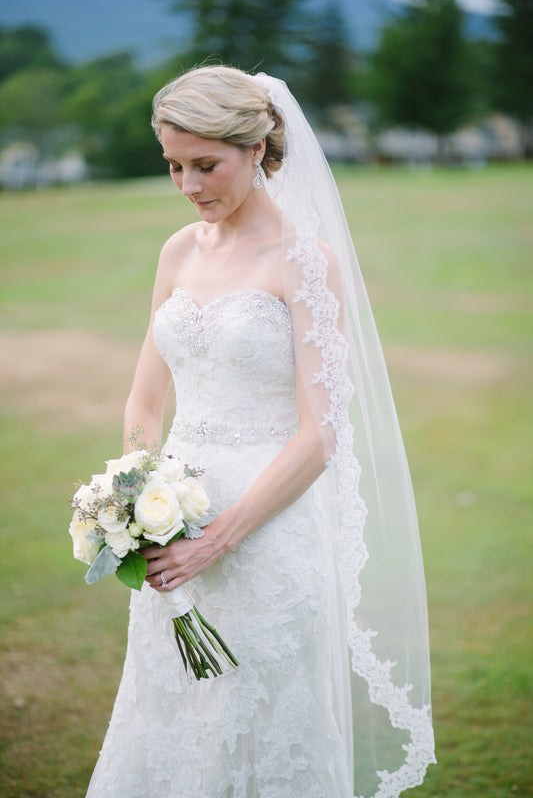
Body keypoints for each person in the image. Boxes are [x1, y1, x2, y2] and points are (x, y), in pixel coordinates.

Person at [85, 65, 435, 798]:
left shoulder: (304, 263)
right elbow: (145, 403)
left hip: (266, 534)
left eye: (204, 165)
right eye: (173, 166)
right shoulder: (178, 251)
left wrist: (217, 538)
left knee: (263, 730)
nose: (188, 185)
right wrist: (138, 506)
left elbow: (319, 434)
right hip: (170, 531)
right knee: (171, 718)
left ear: (257, 149)